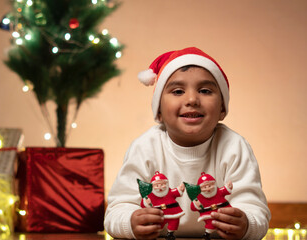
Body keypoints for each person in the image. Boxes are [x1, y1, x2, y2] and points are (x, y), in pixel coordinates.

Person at [104, 47, 270, 240]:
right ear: (158, 111)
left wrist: (247, 224)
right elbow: (115, 211)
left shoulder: (234, 147)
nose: (192, 99)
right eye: (178, 91)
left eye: (205, 90)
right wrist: (130, 223)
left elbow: (256, 210)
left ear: (223, 108)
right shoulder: (145, 147)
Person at [139, 171, 185, 240]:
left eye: (162, 184)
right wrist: (147, 202)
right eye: (157, 185)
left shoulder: (169, 192)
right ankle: (153, 234)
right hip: (158, 213)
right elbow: (143, 204)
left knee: (174, 222)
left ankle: (170, 234)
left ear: (166, 184)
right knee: (157, 224)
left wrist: (180, 189)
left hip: (173, 212)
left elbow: (176, 192)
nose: (160, 188)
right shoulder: (151, 195)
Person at [190, 172, 233, 239]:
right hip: (208, 214)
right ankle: (207, 234)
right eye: (205, 187)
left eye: (210, 186)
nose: (208, 189)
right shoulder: (200, 197)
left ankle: (227, 234)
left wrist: (228, 187)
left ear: (214, 184)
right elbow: (193, 207)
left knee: (226, 223)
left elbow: (225, 190)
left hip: (223, 211)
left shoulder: (218, 191)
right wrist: (196, 204)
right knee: (210, 224)